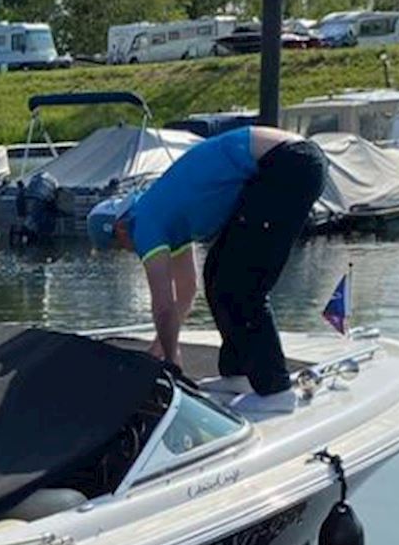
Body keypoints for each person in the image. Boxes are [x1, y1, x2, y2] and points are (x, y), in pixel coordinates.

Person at [87, 125, 327, 416]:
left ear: (119, 229)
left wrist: (171, 363)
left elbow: (163, 306)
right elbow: (188, 291)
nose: (127, 251)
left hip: (288, 163)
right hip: (288, 161)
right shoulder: (164, 215)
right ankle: (239, 374)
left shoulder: (144, 224)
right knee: (216, 275)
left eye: (119, 246)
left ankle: (276, 391)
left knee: (242, 286)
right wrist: (162, 348)